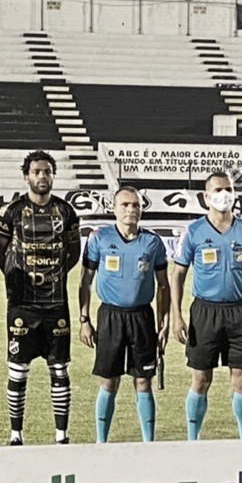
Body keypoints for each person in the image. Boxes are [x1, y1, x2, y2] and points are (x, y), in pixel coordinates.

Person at [168, 171, 242, 440]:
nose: (223, 195)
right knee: (201, 379)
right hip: (204, 312)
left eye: (227, 189)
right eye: (217, 190)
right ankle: (193, 439)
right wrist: (176, 315)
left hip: (238, 311)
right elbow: (177, 274)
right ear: (206, 196)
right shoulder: (194, 231)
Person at [0, 150, 81, 445]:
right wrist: (17, 278)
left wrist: (54, 274)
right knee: (18, 370)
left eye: (47, 171)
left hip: (56, 305)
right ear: (26, 176)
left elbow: (74, 253)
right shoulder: (12, 211)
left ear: (53, 175)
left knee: (59, 368)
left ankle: (61, 435)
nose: (42, 176)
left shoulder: (66, 212)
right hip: (22, 305)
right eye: (36, 172)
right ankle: (16, 434)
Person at [78, 186, 169, 442]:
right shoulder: (99, 238)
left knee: (143, 381)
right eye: (125, 205)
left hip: (142, 317)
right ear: (114, 208)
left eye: (136, 205)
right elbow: (85, 281)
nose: (131, 209)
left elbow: (163, 285)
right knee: (109, 381)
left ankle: (149, 442)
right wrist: (84, 320)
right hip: (110, 317)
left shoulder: (152, 242)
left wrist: (164, 323)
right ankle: (101, 442)